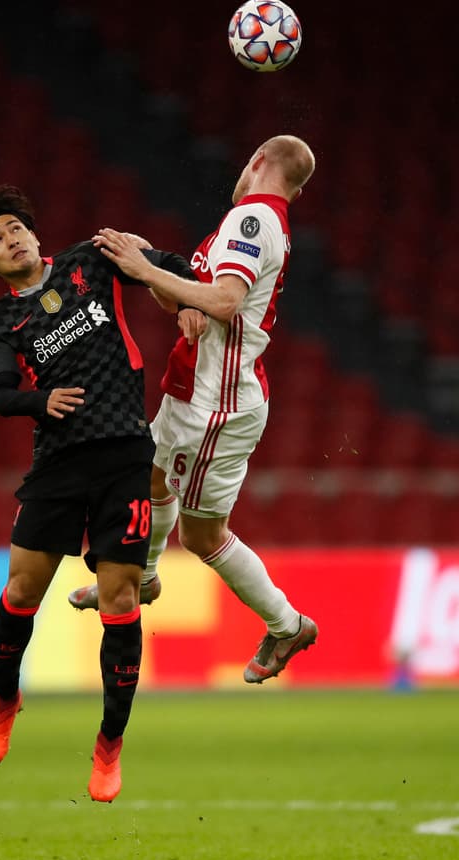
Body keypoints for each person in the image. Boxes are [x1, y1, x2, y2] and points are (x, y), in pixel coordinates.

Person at [0, 185, 194, 802]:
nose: (10, 239)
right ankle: (6, 703)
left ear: (35, 235)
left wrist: (189, 299)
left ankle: (109, 746)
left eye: (16, 228)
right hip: (58, 463)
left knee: (120, 597)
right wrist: (43, 401)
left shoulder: (92, 261)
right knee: (20, 589)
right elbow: (3, 395)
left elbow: (173, 268)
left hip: (123, 455)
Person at [68, 135, 320, 685]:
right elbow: (199, 300)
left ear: (257, 162)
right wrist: (151, 262)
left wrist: (148, 268)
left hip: (215, 404)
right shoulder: (250, 224)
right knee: (149, 479)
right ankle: (146, 577)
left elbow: (226, 302)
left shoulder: (251, 221)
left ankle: (287, 624)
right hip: (194, 391)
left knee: (202, 536)